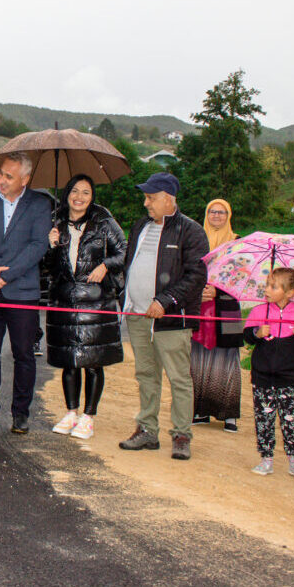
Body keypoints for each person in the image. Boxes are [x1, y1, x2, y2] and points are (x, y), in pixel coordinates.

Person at [118, 172, 208, 460]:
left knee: (179, 378)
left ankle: (182, 434)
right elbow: (129, 264)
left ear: (169, 199)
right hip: (139, 315)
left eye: (151, 198)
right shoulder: (140, 227)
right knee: (146, 374)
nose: (146, 203)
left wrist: (166, 300)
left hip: (171, 319)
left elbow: (197, 275)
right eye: (146, 197)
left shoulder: (191, 231)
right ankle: (147, 430)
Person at [0, 152, 51, 434]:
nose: (1, 180)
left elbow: (39, 245)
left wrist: (6, 274)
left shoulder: (40, 204)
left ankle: (21, 413)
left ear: (25, 179)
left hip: (22, 292)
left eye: (9, 176)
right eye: (1, 174)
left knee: (23, 354)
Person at [45, 174, 126, 441]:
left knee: (92, 362)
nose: (79, 197)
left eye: (86, 193)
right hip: (65, 300)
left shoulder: (104, 222)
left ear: (92, 197)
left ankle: (88, 416)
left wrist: (106, 265)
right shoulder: (56, 221)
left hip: (96, 300)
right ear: (67, 193)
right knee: (70, 361)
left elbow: (124, 251)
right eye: (75, 191)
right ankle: (71, 412)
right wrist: (52, 244)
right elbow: (47, 266)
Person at [244, 268, 294, 483]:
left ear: (291, 291)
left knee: (290, 421)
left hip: (288, 379)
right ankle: (266, 460)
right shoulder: (258, 312)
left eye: (273, 286)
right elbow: (247, 336)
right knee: (263, 420)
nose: (266, 289)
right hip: (262, 378)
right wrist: (258, 333)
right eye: (267, 284)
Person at [191, 199, 244, 431]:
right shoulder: (196, 240)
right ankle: (201, 410)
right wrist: (197, 292)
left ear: (228, 215)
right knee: (198, 360)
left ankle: (228, 414)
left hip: (227, 309)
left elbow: (242, 279)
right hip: (200, 307)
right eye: (212, 211)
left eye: (221, 212)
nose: (216, 216)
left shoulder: (237, 243)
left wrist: (218, 290)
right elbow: (187, 272)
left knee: (228, 361)